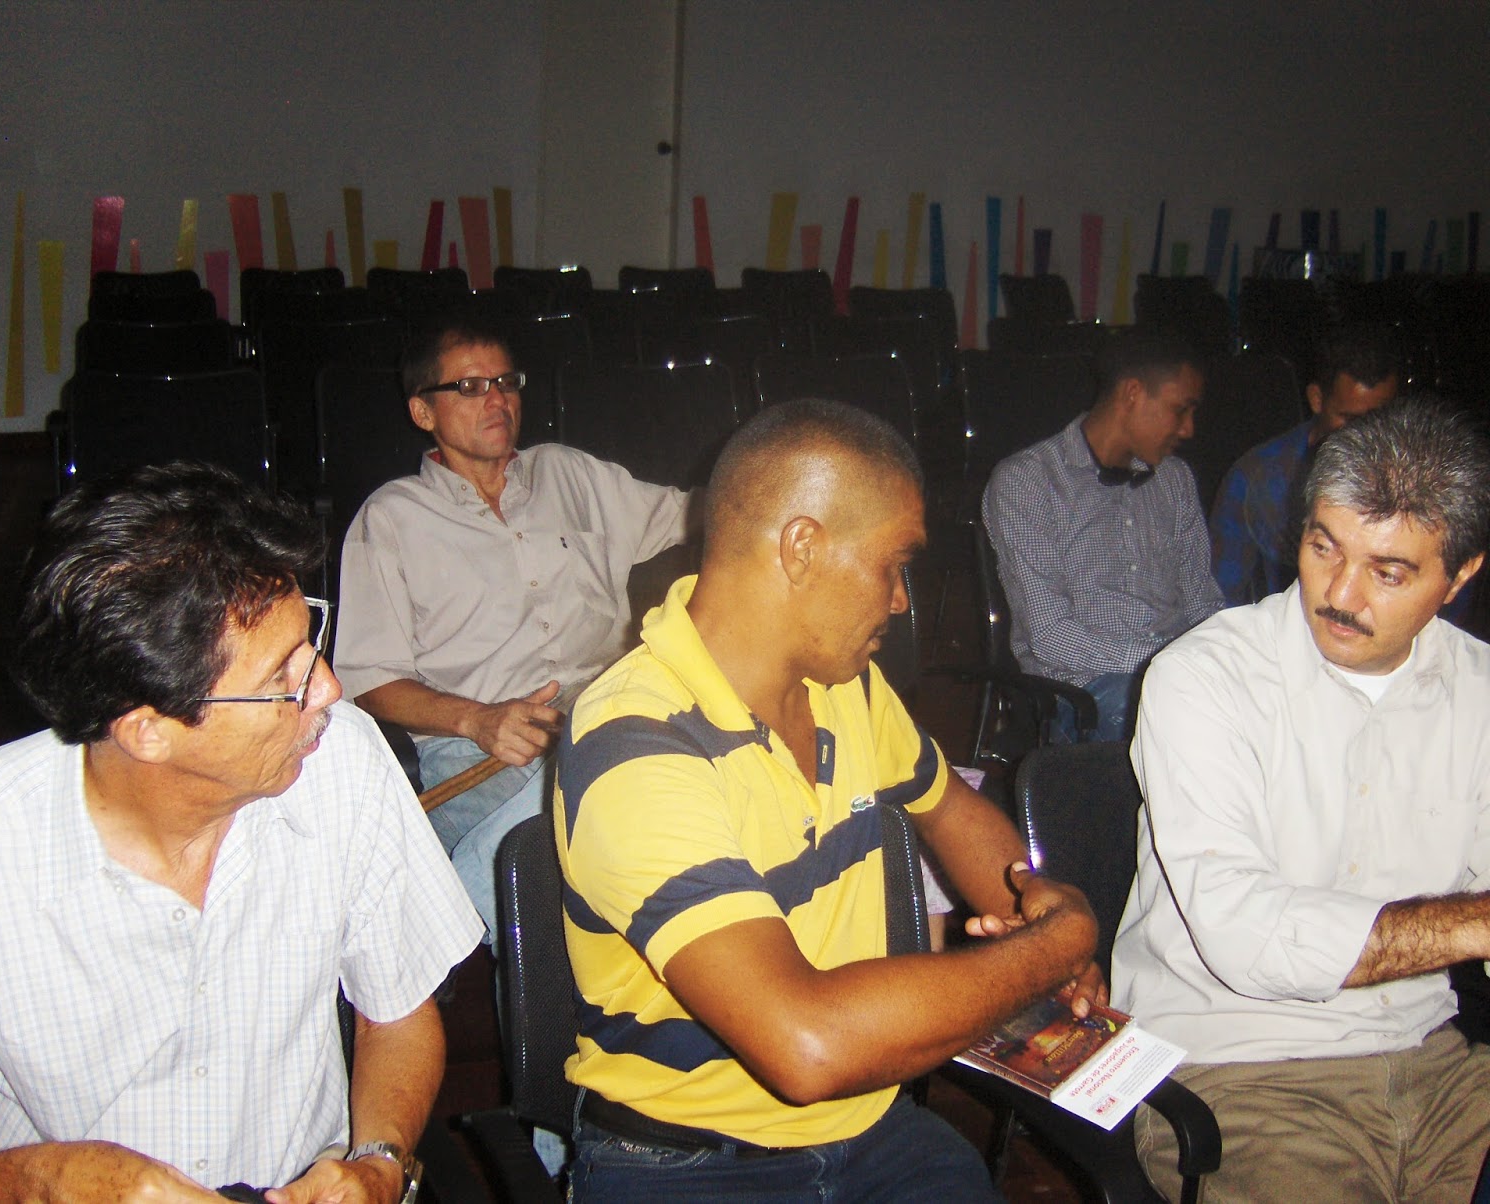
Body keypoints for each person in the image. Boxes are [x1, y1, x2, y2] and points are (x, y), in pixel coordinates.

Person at [0, 462, 483, 1203]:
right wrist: (40, 1181)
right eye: (282, 678)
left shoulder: (341, 759)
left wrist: (377, 1162)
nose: (328, 688)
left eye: (311, 642)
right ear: (148, 730)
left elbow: (395, 1013)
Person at [555, 399, 1101, 1201]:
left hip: (869, 1125)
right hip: (690, 1161)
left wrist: (1027, 901)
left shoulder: (846, 687)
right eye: (893, 565)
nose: (902, 601)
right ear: (802, 546)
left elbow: (948, 807)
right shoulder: (635, 742)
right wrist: (1051, 950)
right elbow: (805, 1046)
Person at [1112, 398, 1490, 1203]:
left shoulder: (1481, 691)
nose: (1340, 594)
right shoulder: (1204, 678)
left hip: (1436, 1060)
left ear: (1460, 576)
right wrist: (1473, 924)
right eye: (1325, 547)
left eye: (1388, 573)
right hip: (1242, 1072)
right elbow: (1246, 937)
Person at [334, 314, 697, 937]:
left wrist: (774, 490)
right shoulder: (392, 519)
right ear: (423, 411)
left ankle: (454, 918)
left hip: (605, 717)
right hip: (476, 748)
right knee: (574, 833)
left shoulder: (570, 475)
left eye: (506, 382)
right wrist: (479, 720)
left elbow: (692, 514)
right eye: (470, 387)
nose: (497, 399)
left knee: (629, 798)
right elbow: (368, 681)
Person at [982, 328, 1224, 741]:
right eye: (1180, 410)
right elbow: (1050, 635)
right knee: (1179, 724)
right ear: (1132, 394)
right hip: (1083, 690)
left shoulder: (1176, 480)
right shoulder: (1028, 481)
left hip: (1182, 678)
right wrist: (1165, 663)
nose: (1188, 429)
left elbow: (1203, 602)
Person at [1209, 324, 1400, 605]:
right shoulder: (1256, 479)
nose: (1366, 434)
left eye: (1379, 419)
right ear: (1317, 399)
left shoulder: (1420, 479)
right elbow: (1222, 594)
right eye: (1349, 419)